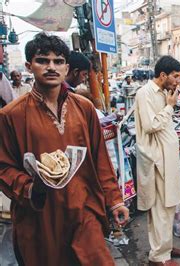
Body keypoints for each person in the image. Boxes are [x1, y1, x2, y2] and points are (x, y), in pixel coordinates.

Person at [0, 32, 128, 265]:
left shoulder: (84, 108)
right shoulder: (12, 115)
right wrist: (30, 187)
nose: (51, 67)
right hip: (42, 215)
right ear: (30, 66)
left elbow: (101, 159)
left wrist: (115, 200)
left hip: (83, 207)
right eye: (42, 60)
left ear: (66, 67)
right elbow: (3, 167)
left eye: (58, 61)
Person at [134, 56, 180, 266]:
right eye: (175, 77)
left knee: (169, 204)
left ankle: (165, 245)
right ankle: (158, 256)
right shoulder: (145, 93)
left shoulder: (165, 92)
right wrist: (170, 107)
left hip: (167, 158)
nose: (177, 82)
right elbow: (150, 125)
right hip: (156, 160)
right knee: (160, 209)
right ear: (163, 75)